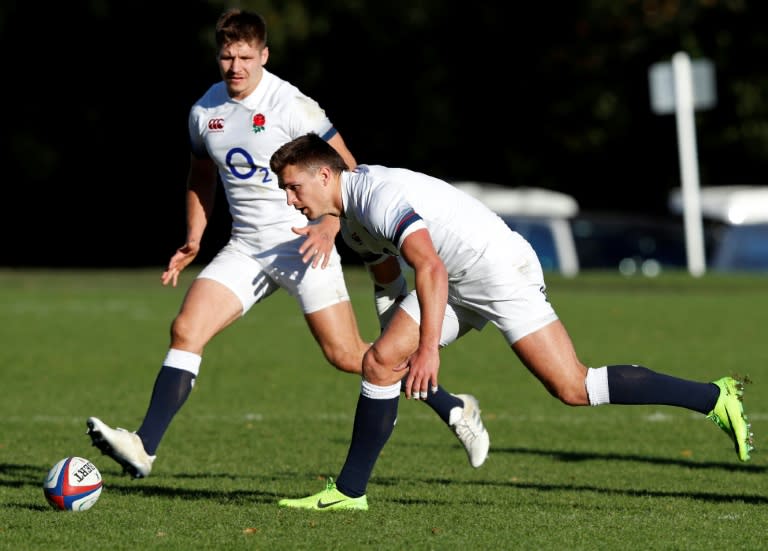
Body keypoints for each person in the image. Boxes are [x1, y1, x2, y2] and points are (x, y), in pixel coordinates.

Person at [85, 8, 489, 479]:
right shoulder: (204, 111)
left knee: (347, 355)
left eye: (244, 57)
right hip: (245, 248)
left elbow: (347, 172)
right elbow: (200, 176)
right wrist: (194, 237)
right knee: (185, 330)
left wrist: (330, 226)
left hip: (303, 245)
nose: (235, 66)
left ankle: (454, 406)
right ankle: (143, 446)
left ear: (264, 55)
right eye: (226, 57)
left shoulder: (293, 105)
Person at [268, 132, 755, 511]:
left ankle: (714, 397)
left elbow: (430, 267)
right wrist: (395, 341)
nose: (290, 198)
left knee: (572, 387)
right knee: (379, 363)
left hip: (498, 270)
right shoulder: (347, 218)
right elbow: (388, 274)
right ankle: (350, 492)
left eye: (294, 186)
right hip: (453, 279)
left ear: (326, 176)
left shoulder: (375, 195)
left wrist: (428, 348)